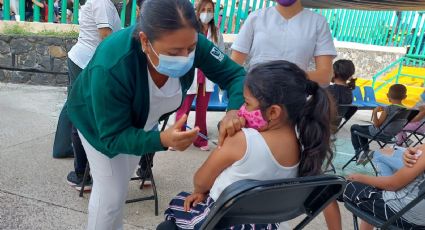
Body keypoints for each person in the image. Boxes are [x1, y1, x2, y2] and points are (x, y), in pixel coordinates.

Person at [66, 0, 246, 228]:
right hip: (98, 125)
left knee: (120, 185)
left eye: (190, 49)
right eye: (174, 52)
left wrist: (233, 111)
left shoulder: (188, 40)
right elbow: (112, 137)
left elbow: (236, 76)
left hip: (142, 121)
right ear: (144, 41)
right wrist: (160, 140)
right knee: (110, 195)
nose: (185, 57)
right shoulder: (112, 64)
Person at [161, 60, 335, 229]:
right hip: (269, 224)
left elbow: (200, 182)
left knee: (173, 216)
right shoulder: (307, 144)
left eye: (247, 103)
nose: (241, 109)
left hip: (223, 222)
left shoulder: (242, 140)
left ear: (273, 112)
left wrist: (201, 190)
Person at [53, 0, 122, 191]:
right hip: (88, 62)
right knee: (81, 111)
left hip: (84, 59)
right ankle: (78, 166)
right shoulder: (101, 2)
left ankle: (63, 148)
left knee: (74, 106)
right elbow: (106, 36)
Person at [230, 0, 336, 85]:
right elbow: (233, 67)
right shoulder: (256, 17)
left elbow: (325, 76)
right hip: (255, 96)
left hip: (294, 98)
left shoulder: (318, 22)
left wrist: (290, 76)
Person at [173, 0, 225, 151]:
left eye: (210, 10)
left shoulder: (216, 32)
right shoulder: (190, 30)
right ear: (197, 11)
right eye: (204, 10)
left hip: (207, 78)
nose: (207, 13)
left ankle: (200, 140)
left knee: (202, 112)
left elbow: (221, 54)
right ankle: (177, 138)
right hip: (190, 74)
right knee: (183, 109)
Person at [341, 145, 425, 230]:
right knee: (374, 189)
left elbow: (392, 185)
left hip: (402, 216)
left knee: (335, 185)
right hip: (418, 217)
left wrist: (359, 178)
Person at [350, 84, 407, 163]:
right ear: (405, 97)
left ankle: (358, 152)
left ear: (388, 95)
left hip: (379, 133)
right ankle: (365, 151)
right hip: (391, 136)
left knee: (354, 127)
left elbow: (377, 125)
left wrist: (375, 112)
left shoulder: (388, 108)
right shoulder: (406, 110)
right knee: (361, 130)